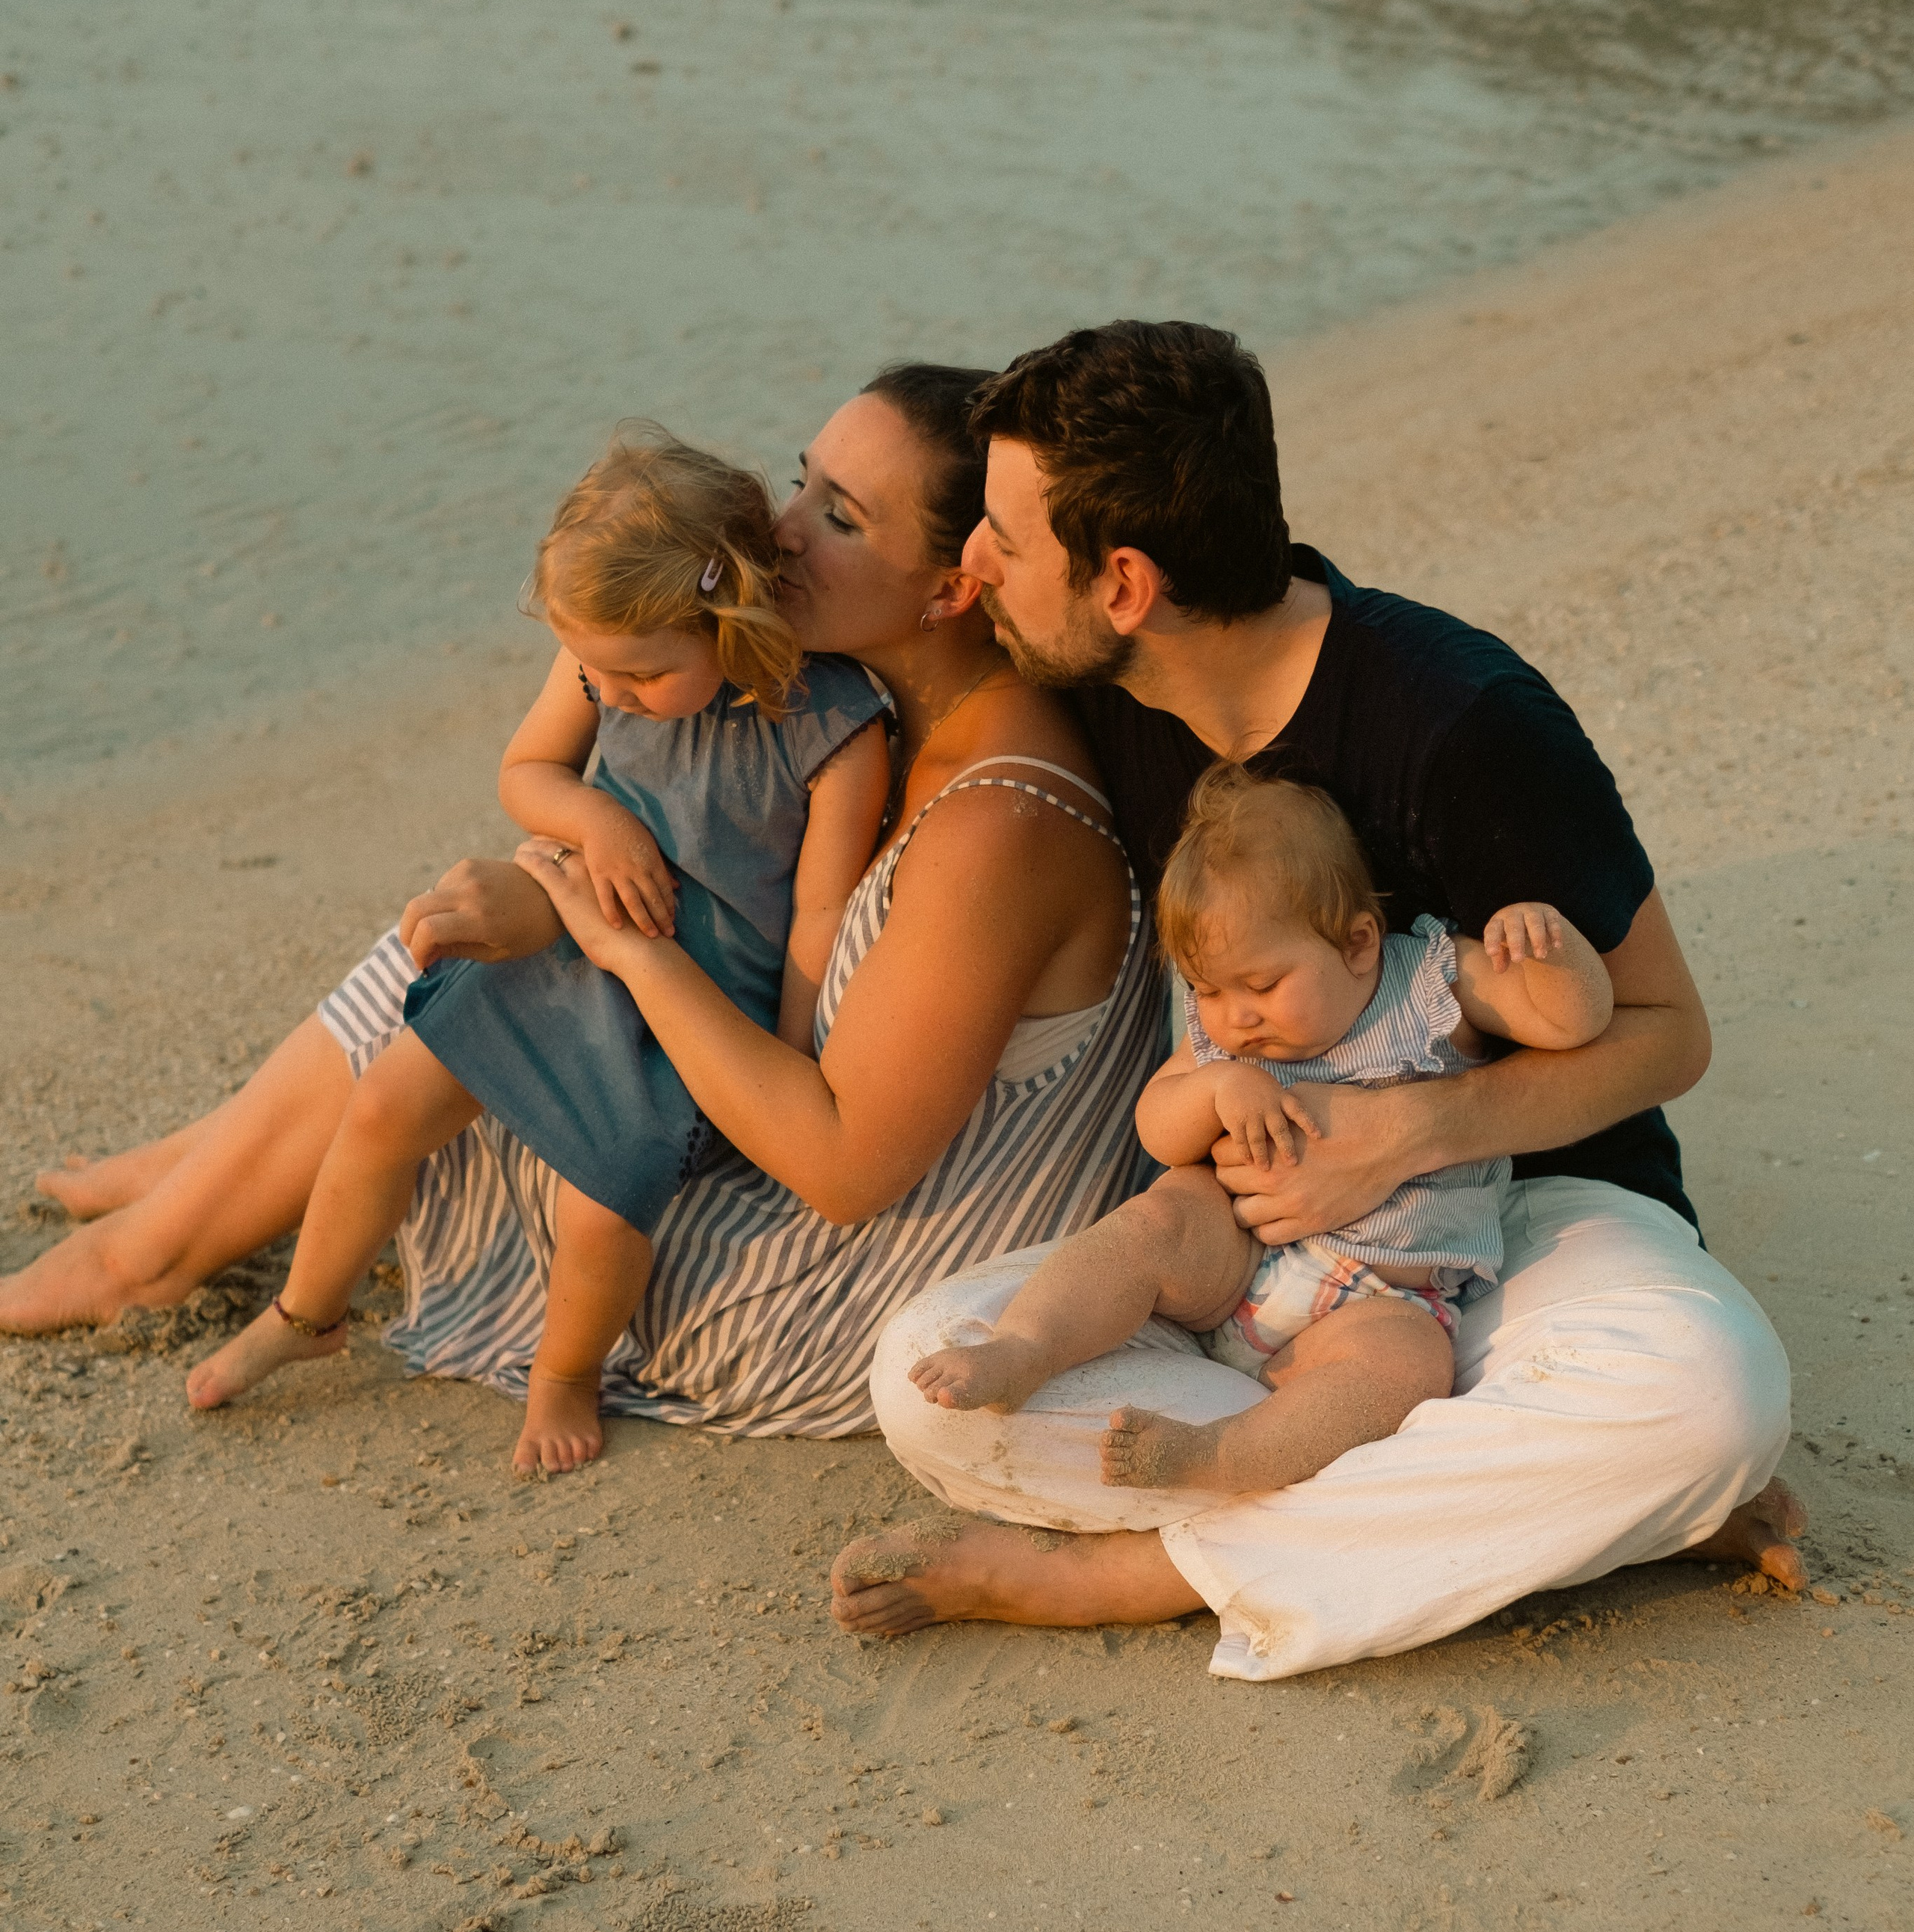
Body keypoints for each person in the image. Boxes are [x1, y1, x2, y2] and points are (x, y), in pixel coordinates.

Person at [836, 319, 1803, 1675]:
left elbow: (1668, 1035)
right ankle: (1549, 1506)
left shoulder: (1462, 718)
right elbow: (848, 632)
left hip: (1518, 1224)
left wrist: (1406, 1136)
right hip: (1249, 1257)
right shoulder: (1106, 699)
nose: (971, 562)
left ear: (1124, 580)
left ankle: (1143, 1574)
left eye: (999, 532)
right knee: (929, 1374)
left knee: (1708, 1406)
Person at [4, 369, 1158, 1445]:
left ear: (956, 584)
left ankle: (157, 1246)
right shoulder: (893, 715)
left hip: (812, 1285)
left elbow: (845, 1169)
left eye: (842, 518)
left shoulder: (998, 820)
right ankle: (194, 1170)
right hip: (786, 1171)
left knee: (484, 958)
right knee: (496, 928)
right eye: (800, 478)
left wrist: (602, 935)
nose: (784, 529)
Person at [181, 428, 889, 1473]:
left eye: (643, 674)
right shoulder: (605, 655)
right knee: (382, 1106)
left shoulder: (836, 729)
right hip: (557, 957)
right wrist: (596, 821)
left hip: (685, 1009)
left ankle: (562, 1372)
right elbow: (528, 773)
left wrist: (786, 1064)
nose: (610, 693)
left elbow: (821, 923)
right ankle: (306, 1311)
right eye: (594, 669)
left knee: (600, 1212)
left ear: (728, 618)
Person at [908, 765, 1615, 1498]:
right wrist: (1213, 1087)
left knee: (1405, 1367)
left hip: (1379, 1295)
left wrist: (1546, 951)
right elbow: (1158, 1130)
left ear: (1358, 944)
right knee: (1159, 1217)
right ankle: (1025, 1347)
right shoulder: (1226, 1044)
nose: (1233, 1016)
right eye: (1206, 990)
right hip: (1234, 1260)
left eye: (1262, 985)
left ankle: (1225, 1455)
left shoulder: (1428, 987)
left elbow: (1572, 1024)